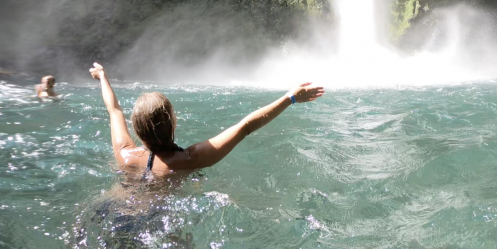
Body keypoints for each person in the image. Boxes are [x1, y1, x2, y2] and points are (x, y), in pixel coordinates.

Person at [89, 62, 325, 176]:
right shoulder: (190, 159)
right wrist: (290, 98)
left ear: (136, 130)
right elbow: (245, 127)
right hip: (157, 219)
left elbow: (114, 110)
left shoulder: (125, 154)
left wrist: (102, 76)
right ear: (173, 122)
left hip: (118, 210)